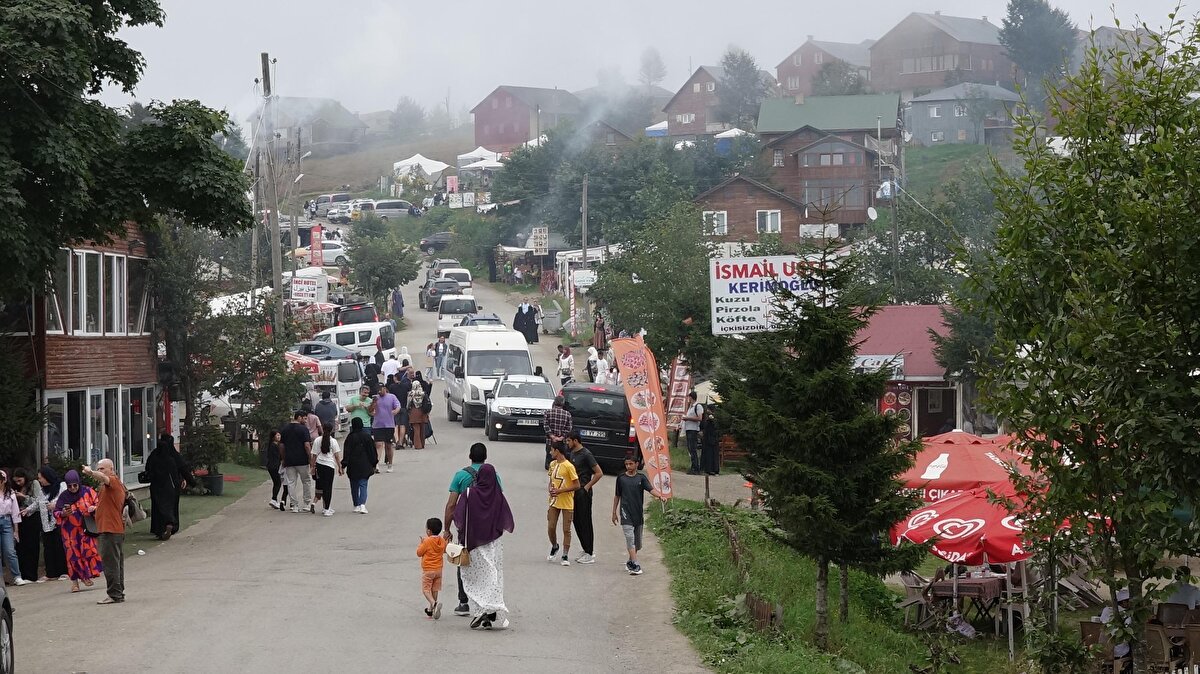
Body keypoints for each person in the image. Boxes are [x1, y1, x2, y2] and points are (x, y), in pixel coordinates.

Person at [443, 443, 504, 618]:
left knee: (464, 561)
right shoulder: (494, 476)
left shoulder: (461, 476)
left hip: (468, 528)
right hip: (489, 529)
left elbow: (451, 505)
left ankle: (463, 602)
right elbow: (498, 501)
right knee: (488, 564)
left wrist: (447, 528)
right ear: (486, 457)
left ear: (470, 456)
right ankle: (488, 601)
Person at [451, 462, 514, 630]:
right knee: (493, 573)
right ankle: (490, 611)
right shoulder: (497, 495)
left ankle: (482, 610)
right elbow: (505, 518)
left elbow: (459, 517)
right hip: (493, 542)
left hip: (474, 542)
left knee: (476, 577)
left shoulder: (469, 493)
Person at [612, 453, 665, 575]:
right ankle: (635, 564)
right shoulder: (621, 478)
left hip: (638, 514)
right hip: (625, 513)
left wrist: (660, 496)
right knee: (630, 538)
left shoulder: (641, 478)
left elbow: (650, 489)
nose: (628, 466)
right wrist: (614, 512)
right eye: (626, 464)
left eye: (631, 464)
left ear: (637, 464)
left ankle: (630, 561)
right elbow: (617, 496)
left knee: (638, 544)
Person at [82, 459, 125, 604]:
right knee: (115, 562)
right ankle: (118, 592)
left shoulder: (112, 481)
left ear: (111, 469)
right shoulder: (108, 487)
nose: (100, 471)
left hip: (111, 529)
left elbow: (103, 478)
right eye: (98, 469)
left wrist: (90, 472)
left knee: (110, 563)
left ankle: (114, 594)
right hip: (110, 528)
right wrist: (96, 509)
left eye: (102, 469)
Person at [55, 470, 101, 592]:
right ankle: (75, 582)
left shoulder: (87, 491)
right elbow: (56, 512)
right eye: (69, 486)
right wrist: (63, 513)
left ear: (79, 483)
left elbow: (99, 503)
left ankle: (86, 576)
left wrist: (94, 508)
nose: (73, 488)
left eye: (75, 485)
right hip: (69, 531)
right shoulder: (64, 496)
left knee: (88, 551)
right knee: (73, 556)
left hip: (85, 528)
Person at [566, 432, 602, 565]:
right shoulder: (572, 454)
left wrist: (586, 487)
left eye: (569, 441)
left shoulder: (586, 454)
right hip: (574, 491)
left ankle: (590, 552)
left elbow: (599, 473)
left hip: (583, 492)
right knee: (576, 520)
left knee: (585, 521)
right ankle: (585, 548)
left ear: (575, 440)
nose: (567, 443)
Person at [145, 434, 189, 540]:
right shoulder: (173, 456)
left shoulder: (154, 455)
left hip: (156, 486)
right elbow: (182, 468)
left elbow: (148, 468)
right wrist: (188, 480)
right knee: (171, 506)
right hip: (172, 486)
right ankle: (171, 524)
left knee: (158, 507)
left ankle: (158, 528)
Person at [546, 441, 579, 567]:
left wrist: (560, 491)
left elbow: (577, 485)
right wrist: (550, 489)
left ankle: (565, 554)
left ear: (557, 451)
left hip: (567, 502)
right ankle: (555, 545)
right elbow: (550, 481)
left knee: (566, 529)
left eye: (551, 450)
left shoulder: (569, 466)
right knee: (551, 527)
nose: (550, 453)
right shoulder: (552, 464)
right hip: (554, 501)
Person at [32, 467, 68, 581]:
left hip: (57, 520)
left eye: (40, 478)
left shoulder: (61, 485)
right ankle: (51, 573)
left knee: (59, 546)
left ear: (47, 477)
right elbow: (37, 503)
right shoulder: (43, 491)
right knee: (48, 548)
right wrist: (27, 510)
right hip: (45, 523)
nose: (40, 481)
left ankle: (63, 571)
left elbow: (65, 498)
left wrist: (55, 505)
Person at [341, 417, 377, 513]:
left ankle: (356, 504)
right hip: (365, 465)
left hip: (352, 465)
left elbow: (346, 452)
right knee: (363, 484)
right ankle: (362, 505)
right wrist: (374, 463)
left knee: (354, 486)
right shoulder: (367, 437)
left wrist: (344, 465)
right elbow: (372, 452)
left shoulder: (349, 437)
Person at [282, 410, 314, 513]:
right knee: (306, 481)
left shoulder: (285, 429)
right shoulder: (303, 429)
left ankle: (294, 505)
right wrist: (310, 458)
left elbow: (282, 446)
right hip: (302, 460)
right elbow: (307, 445)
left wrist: (283, 458)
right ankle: (306, 503)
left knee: (291, 482)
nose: (305, 421)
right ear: (299, 417)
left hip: (289, 460)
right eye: (304, 418)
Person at [12, 469, 40, 584]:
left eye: (20, 480)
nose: (18, 483)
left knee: (31, 546)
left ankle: (31, 575)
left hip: (31, 518)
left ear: (25, 477)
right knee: (21, 547)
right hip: (20, 518)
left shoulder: (34, 484)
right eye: (16, 481)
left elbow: (38, 501)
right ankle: (23, 574)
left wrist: (23, 497)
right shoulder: (15, 487)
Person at [417, 517, 447, 619]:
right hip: (439, 570)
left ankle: (433, 603)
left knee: (426, 590)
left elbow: (419, 553)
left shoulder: (427, 541)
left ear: (429, 531)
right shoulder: (442, 541)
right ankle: (431, 611)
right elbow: (444, 550)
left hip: (428, 570)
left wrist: (421, 543)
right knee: (435, 589)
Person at [0, 471, 26, 586]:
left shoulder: (10, 492)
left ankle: (17, 576)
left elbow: (15, 512)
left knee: (10, 551)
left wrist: (16, 530)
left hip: (6, 522)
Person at [310, 423, 342, 517]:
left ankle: (326, 507)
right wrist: (340, 467)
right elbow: (336, 456)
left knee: (323, 487)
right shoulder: (333, 441)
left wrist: (312, 467)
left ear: (322, 429)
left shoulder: (317, 440)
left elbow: (314, 455)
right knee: (328, 488)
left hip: (320, 465)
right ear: (332, 430)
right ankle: (326, 508)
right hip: (329, 466)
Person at [372, 383, 400, 472]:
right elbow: (370, 410)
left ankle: (390, 464)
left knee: (388, 445)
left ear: (384, 388)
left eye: (381, 389)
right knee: (378, 444)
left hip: (389, 425)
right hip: (377, 425)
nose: (379, 391)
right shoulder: (375, 398)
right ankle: (376, 465)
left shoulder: (392, 397)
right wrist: (373, 403)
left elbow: (398, 406)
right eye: (378, 390)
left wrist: (395, 411)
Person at [1099, 588, 1132, 658]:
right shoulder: (1127, 615)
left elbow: (1102, 623)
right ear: (1124, 602)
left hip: (1105, 648)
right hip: (1121, 651)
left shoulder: (1106, 610)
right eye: (1130, 602)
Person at [543, 395, 573, 470]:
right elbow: (569, 428)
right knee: (561, 460)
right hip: (562, 442)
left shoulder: (547, 413)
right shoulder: (567, 414)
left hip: (550, 441)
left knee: (549, 460)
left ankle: (551, 471)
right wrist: (562, 437)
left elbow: (545, 425)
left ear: (554, 402)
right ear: (563, 403)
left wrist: (552, 436)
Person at [265, 430, 289, 511]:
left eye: (279, 435)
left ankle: (274, 499)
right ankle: (274, 499)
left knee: (276, 483)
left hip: (271, 466)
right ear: (273, 437)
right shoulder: (274, 446)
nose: (279, 437)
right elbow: (278, 457)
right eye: (277, 435)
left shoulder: (274, 445)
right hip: (274, 467)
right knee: (277, 483)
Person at [408, 373, 432, 449]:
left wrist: (408, 409)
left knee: (416, 429)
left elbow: (408, 403)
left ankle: (418, 445)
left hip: (414, 411)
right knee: (422, 429)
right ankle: (422, 443)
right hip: (422, 412)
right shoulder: (423, 393)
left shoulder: (411, 393)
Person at [683, 391, 704, 475]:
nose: (688, 399)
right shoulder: (690, 407)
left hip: (693, 429)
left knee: (692, 449)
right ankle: (693, 466)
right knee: (690, 449)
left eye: (689, 397)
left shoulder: (698, 406)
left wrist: (688, 418)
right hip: (688, 429)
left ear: (691, 397)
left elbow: (699, 418)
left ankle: (696, 468)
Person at [700, 407, 721, 476]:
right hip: (710, 438)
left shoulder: (713, 419)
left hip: (711, 438)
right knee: (710, 454)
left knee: (711, 454)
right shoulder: (709, 418)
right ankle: (711, 469)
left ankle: (712, 469)